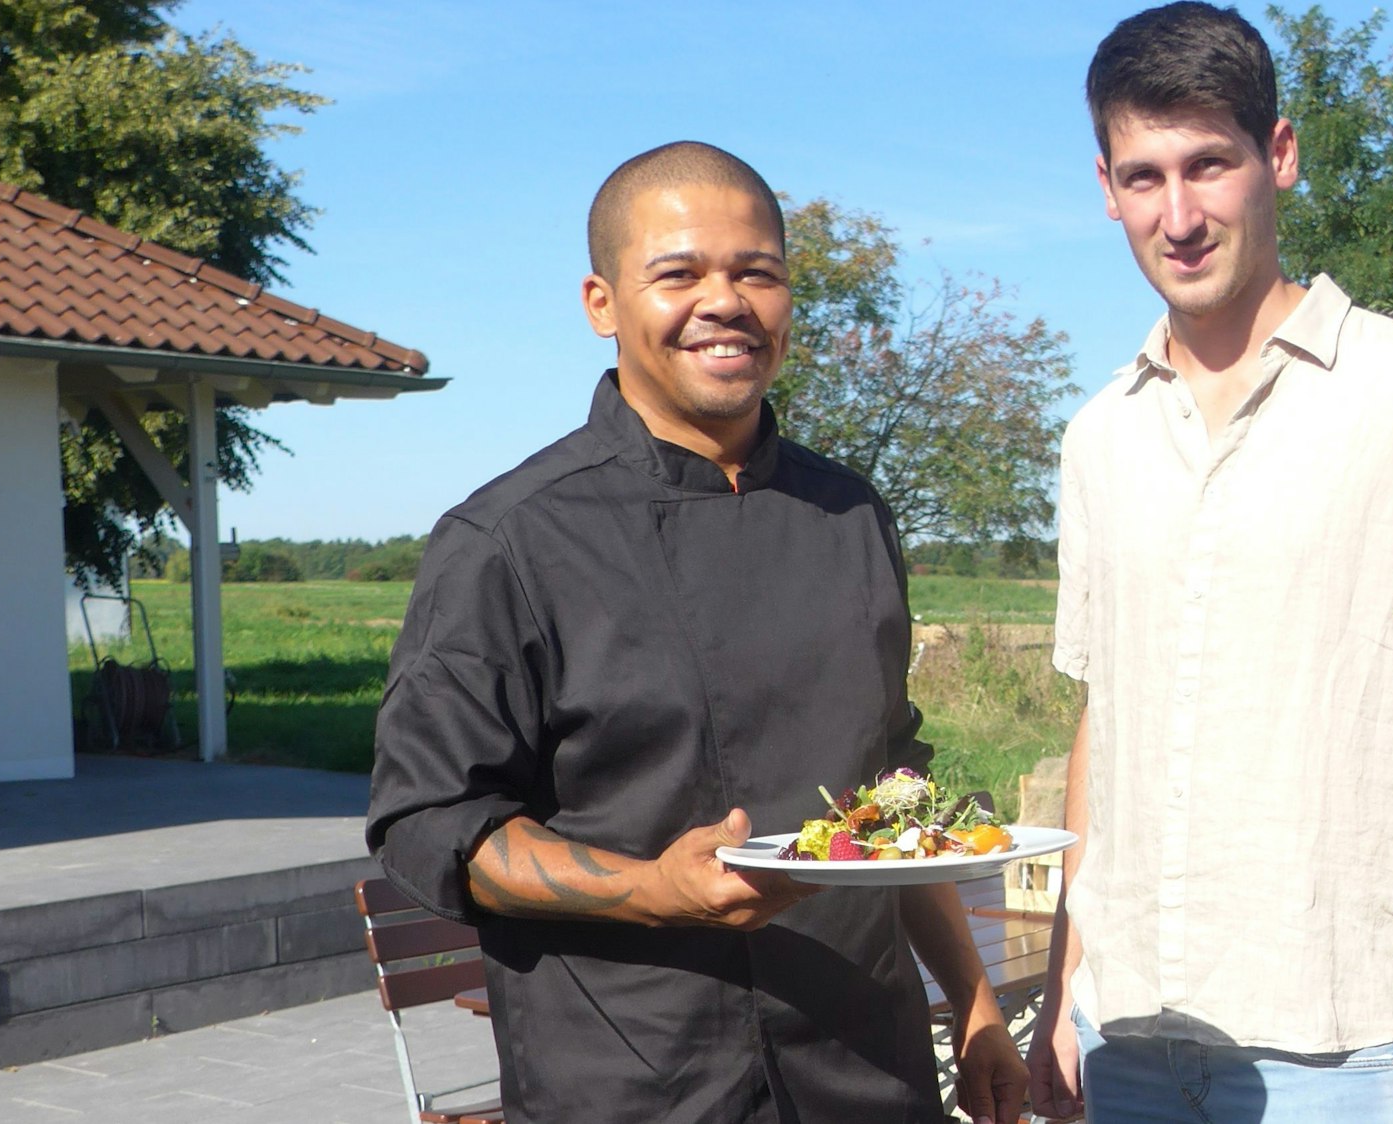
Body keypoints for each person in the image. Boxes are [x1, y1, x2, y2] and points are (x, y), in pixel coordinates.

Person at [367, 141, 1027, 1123]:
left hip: (864, 1069)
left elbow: (893, 793)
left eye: (756, 271)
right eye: (678, 273)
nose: (725, 300)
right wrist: (650, 889)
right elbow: (430, 821)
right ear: (602, 304)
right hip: (634, 1076)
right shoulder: (509, 540)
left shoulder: (847, 514)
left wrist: (974, 1006)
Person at [1026, 5, 1393, 1123]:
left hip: (1348, 1045)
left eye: (1207, 165)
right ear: (1105, 186)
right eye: (1142, 177)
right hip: (1123, 1033)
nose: (1175, 215)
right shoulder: (1099, 436)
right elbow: (1105, 720)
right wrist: (1056, 991)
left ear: (1277, 155)